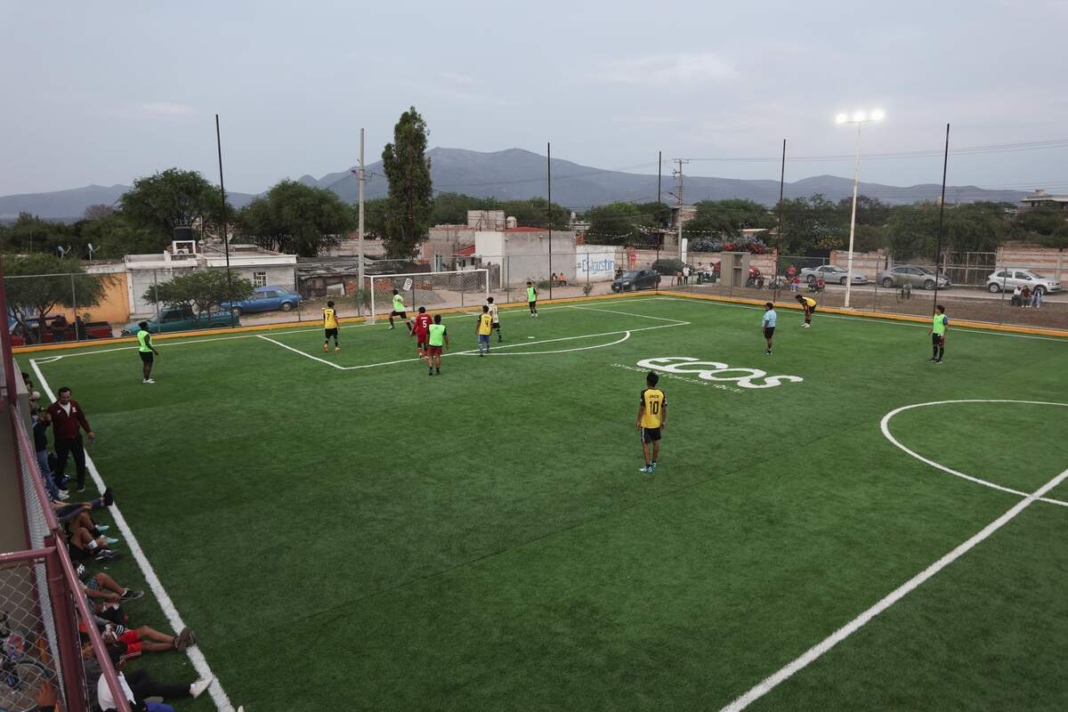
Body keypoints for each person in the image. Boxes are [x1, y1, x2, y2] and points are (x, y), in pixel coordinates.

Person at [97, 646, 213, 712]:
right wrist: (143, 707)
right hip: (123, 708)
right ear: (119, 663)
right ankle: (191, 689)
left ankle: (150, 691)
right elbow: (130, 708)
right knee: (169, 710)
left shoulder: (110, 674)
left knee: (142, 675)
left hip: (117, 704)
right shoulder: (118, 688)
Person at [47, 387, 95, 493]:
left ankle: (80, 483)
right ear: (59, 397)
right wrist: (46, 420)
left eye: (68, 397)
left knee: (80, 461)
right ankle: (59, 483)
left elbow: (81, 418)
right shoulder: (52, 408)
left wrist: (89, 431)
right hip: (61, 440)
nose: (66, 399)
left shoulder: (74, 404)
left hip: (76, 438)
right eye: (63, 397)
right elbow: (47, 422)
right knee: (61, 462)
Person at [636, 372, 667, 474]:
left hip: (646, 423)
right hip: (656, 423)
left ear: (647, 381)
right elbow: (664, 409)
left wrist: (638, 421)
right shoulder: (661, 393)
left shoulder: (644, 393)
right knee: (656, 442)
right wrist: (663, 421)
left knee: (645, 444)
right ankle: (654, 463)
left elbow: (641, 409)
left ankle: (648, 466)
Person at [33, 411, 68, 501]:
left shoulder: (36, 424)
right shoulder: (34, 426)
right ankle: (55, 494)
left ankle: (56, 491)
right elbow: (38, 429)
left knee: (47, 473)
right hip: (39, 451)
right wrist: (42, 420)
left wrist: (46, 420)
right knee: (46, 473)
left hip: (42, 450)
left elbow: (43, 426)